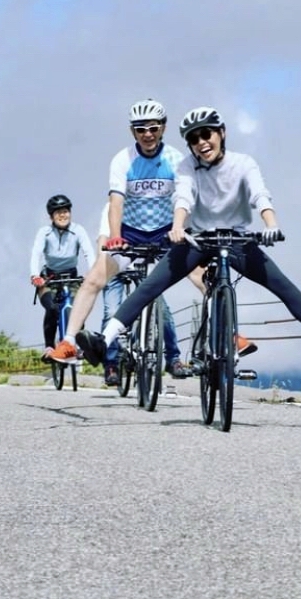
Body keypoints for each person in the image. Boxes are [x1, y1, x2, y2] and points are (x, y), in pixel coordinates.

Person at [59, 106, 301, 371]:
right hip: (198, 241)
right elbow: (183, 198)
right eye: (194, 138)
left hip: (238, 240)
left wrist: (271, 223)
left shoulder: (243, 163)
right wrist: (177, 227)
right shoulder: (186, 166)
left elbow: (259, 195)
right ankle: (103, 340)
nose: (201, 143)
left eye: (206, 135)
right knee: (151, 285)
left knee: (279, 283)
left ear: (221, 133)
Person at [94, 99, 192, 385]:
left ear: (163, 128)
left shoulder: (175, 159)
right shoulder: (123, 159)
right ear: (132, 131)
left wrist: (179, 229)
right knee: (113, 305)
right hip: (131, 232)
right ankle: (111, 362)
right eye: (140, 129)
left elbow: (183, 199)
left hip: (164, 231)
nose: (147, 134)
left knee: (157, 298)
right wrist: (115, 237)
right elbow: (116, 201)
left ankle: (173, 357)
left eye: (152, 128)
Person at [29, 194, 97, 361]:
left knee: (78, 308)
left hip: (72, 278)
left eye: (65, 211)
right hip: (49, 279)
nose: (63, 215)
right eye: (58, 212)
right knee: (52, 308)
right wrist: (35, 275)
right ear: (51, 216)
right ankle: (49, 347)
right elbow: (36, 253)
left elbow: (88, 252)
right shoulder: (44, 233)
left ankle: (77, 345)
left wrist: (93, 272)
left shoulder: (78, 230)